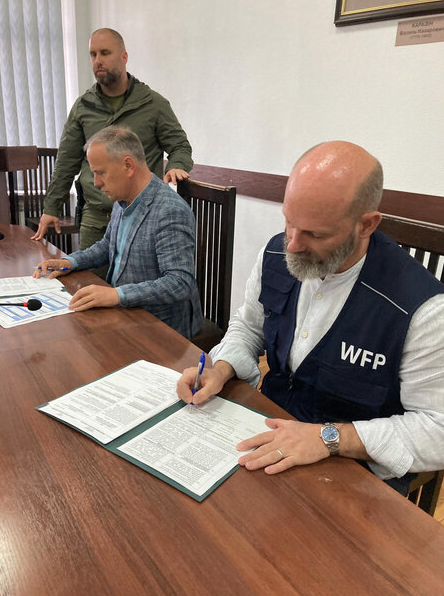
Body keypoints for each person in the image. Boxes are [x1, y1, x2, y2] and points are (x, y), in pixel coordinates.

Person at [177, 140, 444, 494]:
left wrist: (329, 438)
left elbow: (437, 429)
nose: (292, 245)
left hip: (354, 477)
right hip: (269, 433)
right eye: (289, 223)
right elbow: (248, 326)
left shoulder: (422, 309)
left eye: (315, 234)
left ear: (366, 225)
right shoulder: (275, 254)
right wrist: (220, 368)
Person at [34, 126, 202, 339]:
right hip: (127, 314)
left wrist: (117, 295)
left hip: (160, 327)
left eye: (100, 172)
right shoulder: (123, 196)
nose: (96, 183)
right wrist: (70, 262)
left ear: (128, 165)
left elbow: (180, 282)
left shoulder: (169, 210)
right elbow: (107, 246)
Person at [31, 28, 193, 250]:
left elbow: (180, 146)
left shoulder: (153, 104)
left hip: (142, 218)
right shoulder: (83, 106)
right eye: (93, 54)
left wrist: (176, 165)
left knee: (133, 283)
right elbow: (66, 162)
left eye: (105, 53)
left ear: (124, 57)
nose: (97, 61)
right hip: (95, 218)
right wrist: (51, 208)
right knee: (85, 280)